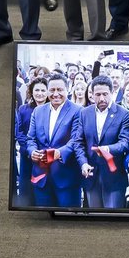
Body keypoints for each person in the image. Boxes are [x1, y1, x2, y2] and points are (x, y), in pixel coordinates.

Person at [75, 75, 129, 209]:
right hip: (90, 174)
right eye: (98, 94)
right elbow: (78, 142)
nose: (101, 98)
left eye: (105, 94)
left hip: (113, 176)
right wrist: (83, 163)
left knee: (113, 220)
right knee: (94, 219)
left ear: (112, 93)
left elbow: (125, 142)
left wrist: (108, 149)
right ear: (92, 94)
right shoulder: (85, 113)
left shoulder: (122, 113)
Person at [25, 73, 82, 208]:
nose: (55, 94)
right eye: (52, 90)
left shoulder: (78, 111)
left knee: (68, 221)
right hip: (41, 176)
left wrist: (59, 153)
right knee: (44, 220)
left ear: (67, 90)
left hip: (66, 177)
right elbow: (30, 138)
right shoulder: (38, 111)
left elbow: (76, 140)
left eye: (60, 90)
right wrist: (32, 151)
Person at [13, 77, 48, 206]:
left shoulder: (52, 109)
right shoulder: (23, 109)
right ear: (31, 92)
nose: (40, 93)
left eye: (43, 90)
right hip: (27, 154)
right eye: (37, 90)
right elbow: (19, 132)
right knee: (26, 187)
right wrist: (30, 149)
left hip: (46, 155)